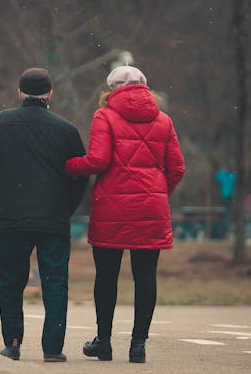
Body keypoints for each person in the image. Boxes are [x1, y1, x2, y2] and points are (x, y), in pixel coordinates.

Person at [66, 66, 185, 363]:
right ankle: (138, 346)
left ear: (111, 88)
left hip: (112, 208)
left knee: (106, 276)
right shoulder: (164, 120)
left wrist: (68, 166)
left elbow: (97, 160)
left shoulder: (104, 115)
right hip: (152, 209)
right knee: (145, 276)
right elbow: (177, 168)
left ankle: (103, 342)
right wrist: (156, 195)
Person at [0, 67, 88, 362]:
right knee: (55, 281)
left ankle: (12, 343)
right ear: (50, 94)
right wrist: (65, 209)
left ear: (19, 93)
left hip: (13, 217)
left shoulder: (0, 122)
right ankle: (52, 349)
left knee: (11, 280)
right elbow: (80, 176)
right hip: (53, 219)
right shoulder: (67, 130)